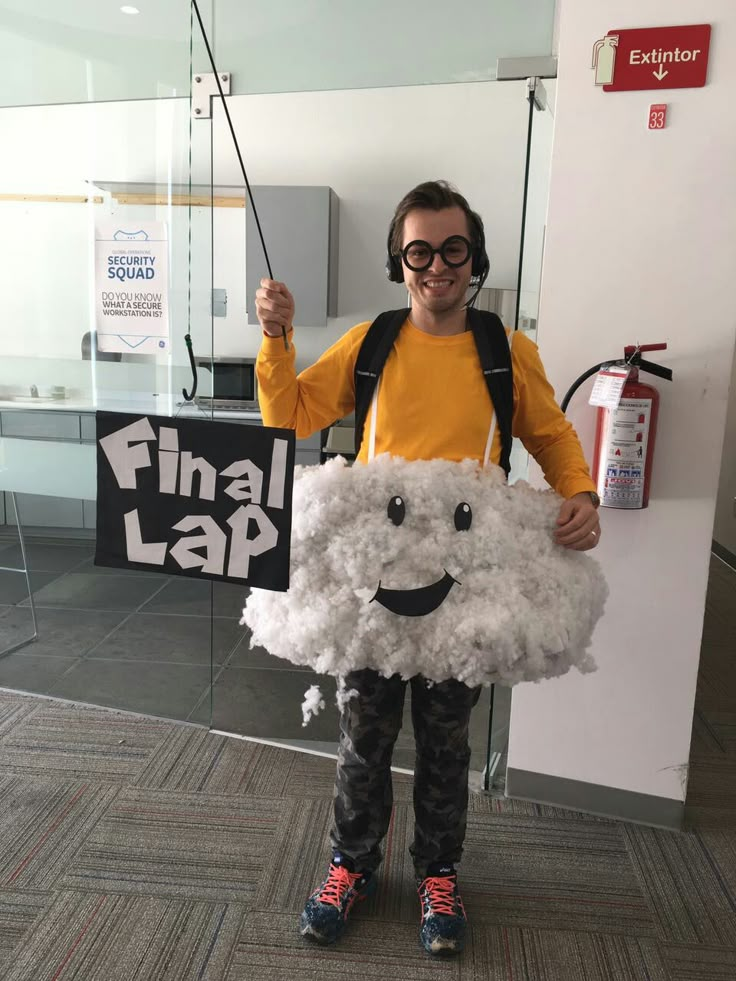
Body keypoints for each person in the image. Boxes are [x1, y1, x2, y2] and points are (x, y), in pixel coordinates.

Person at [254, 180, 601, 956]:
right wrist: (276, 342)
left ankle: (438, 874)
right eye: (419, 250)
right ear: (399, 260)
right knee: (364, 734)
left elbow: (548, 433)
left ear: (473, 258)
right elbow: (291, 414)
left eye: (453, 249)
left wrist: (579, 491)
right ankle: (350, 864)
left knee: (446, 742)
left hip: (463, 582)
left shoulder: (504, 351)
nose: (436, 265)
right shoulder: (372, 342)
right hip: (375, 582)